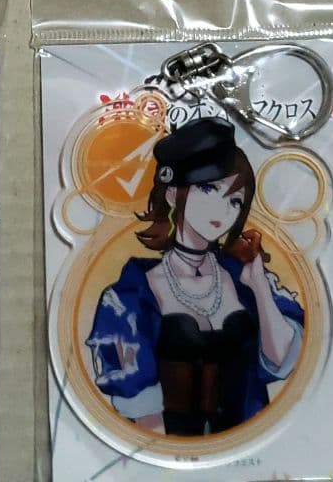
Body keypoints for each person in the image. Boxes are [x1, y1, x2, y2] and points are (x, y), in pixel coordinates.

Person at [86, 117, 304, 436]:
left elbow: (282, 361)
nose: (223, 210)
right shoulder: (129, 297)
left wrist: (258, 286)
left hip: (251, 445)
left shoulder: (247, 279)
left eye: (235, 200)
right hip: (168, 450)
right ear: (173, 193)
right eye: (208, 188)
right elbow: (144, 416)